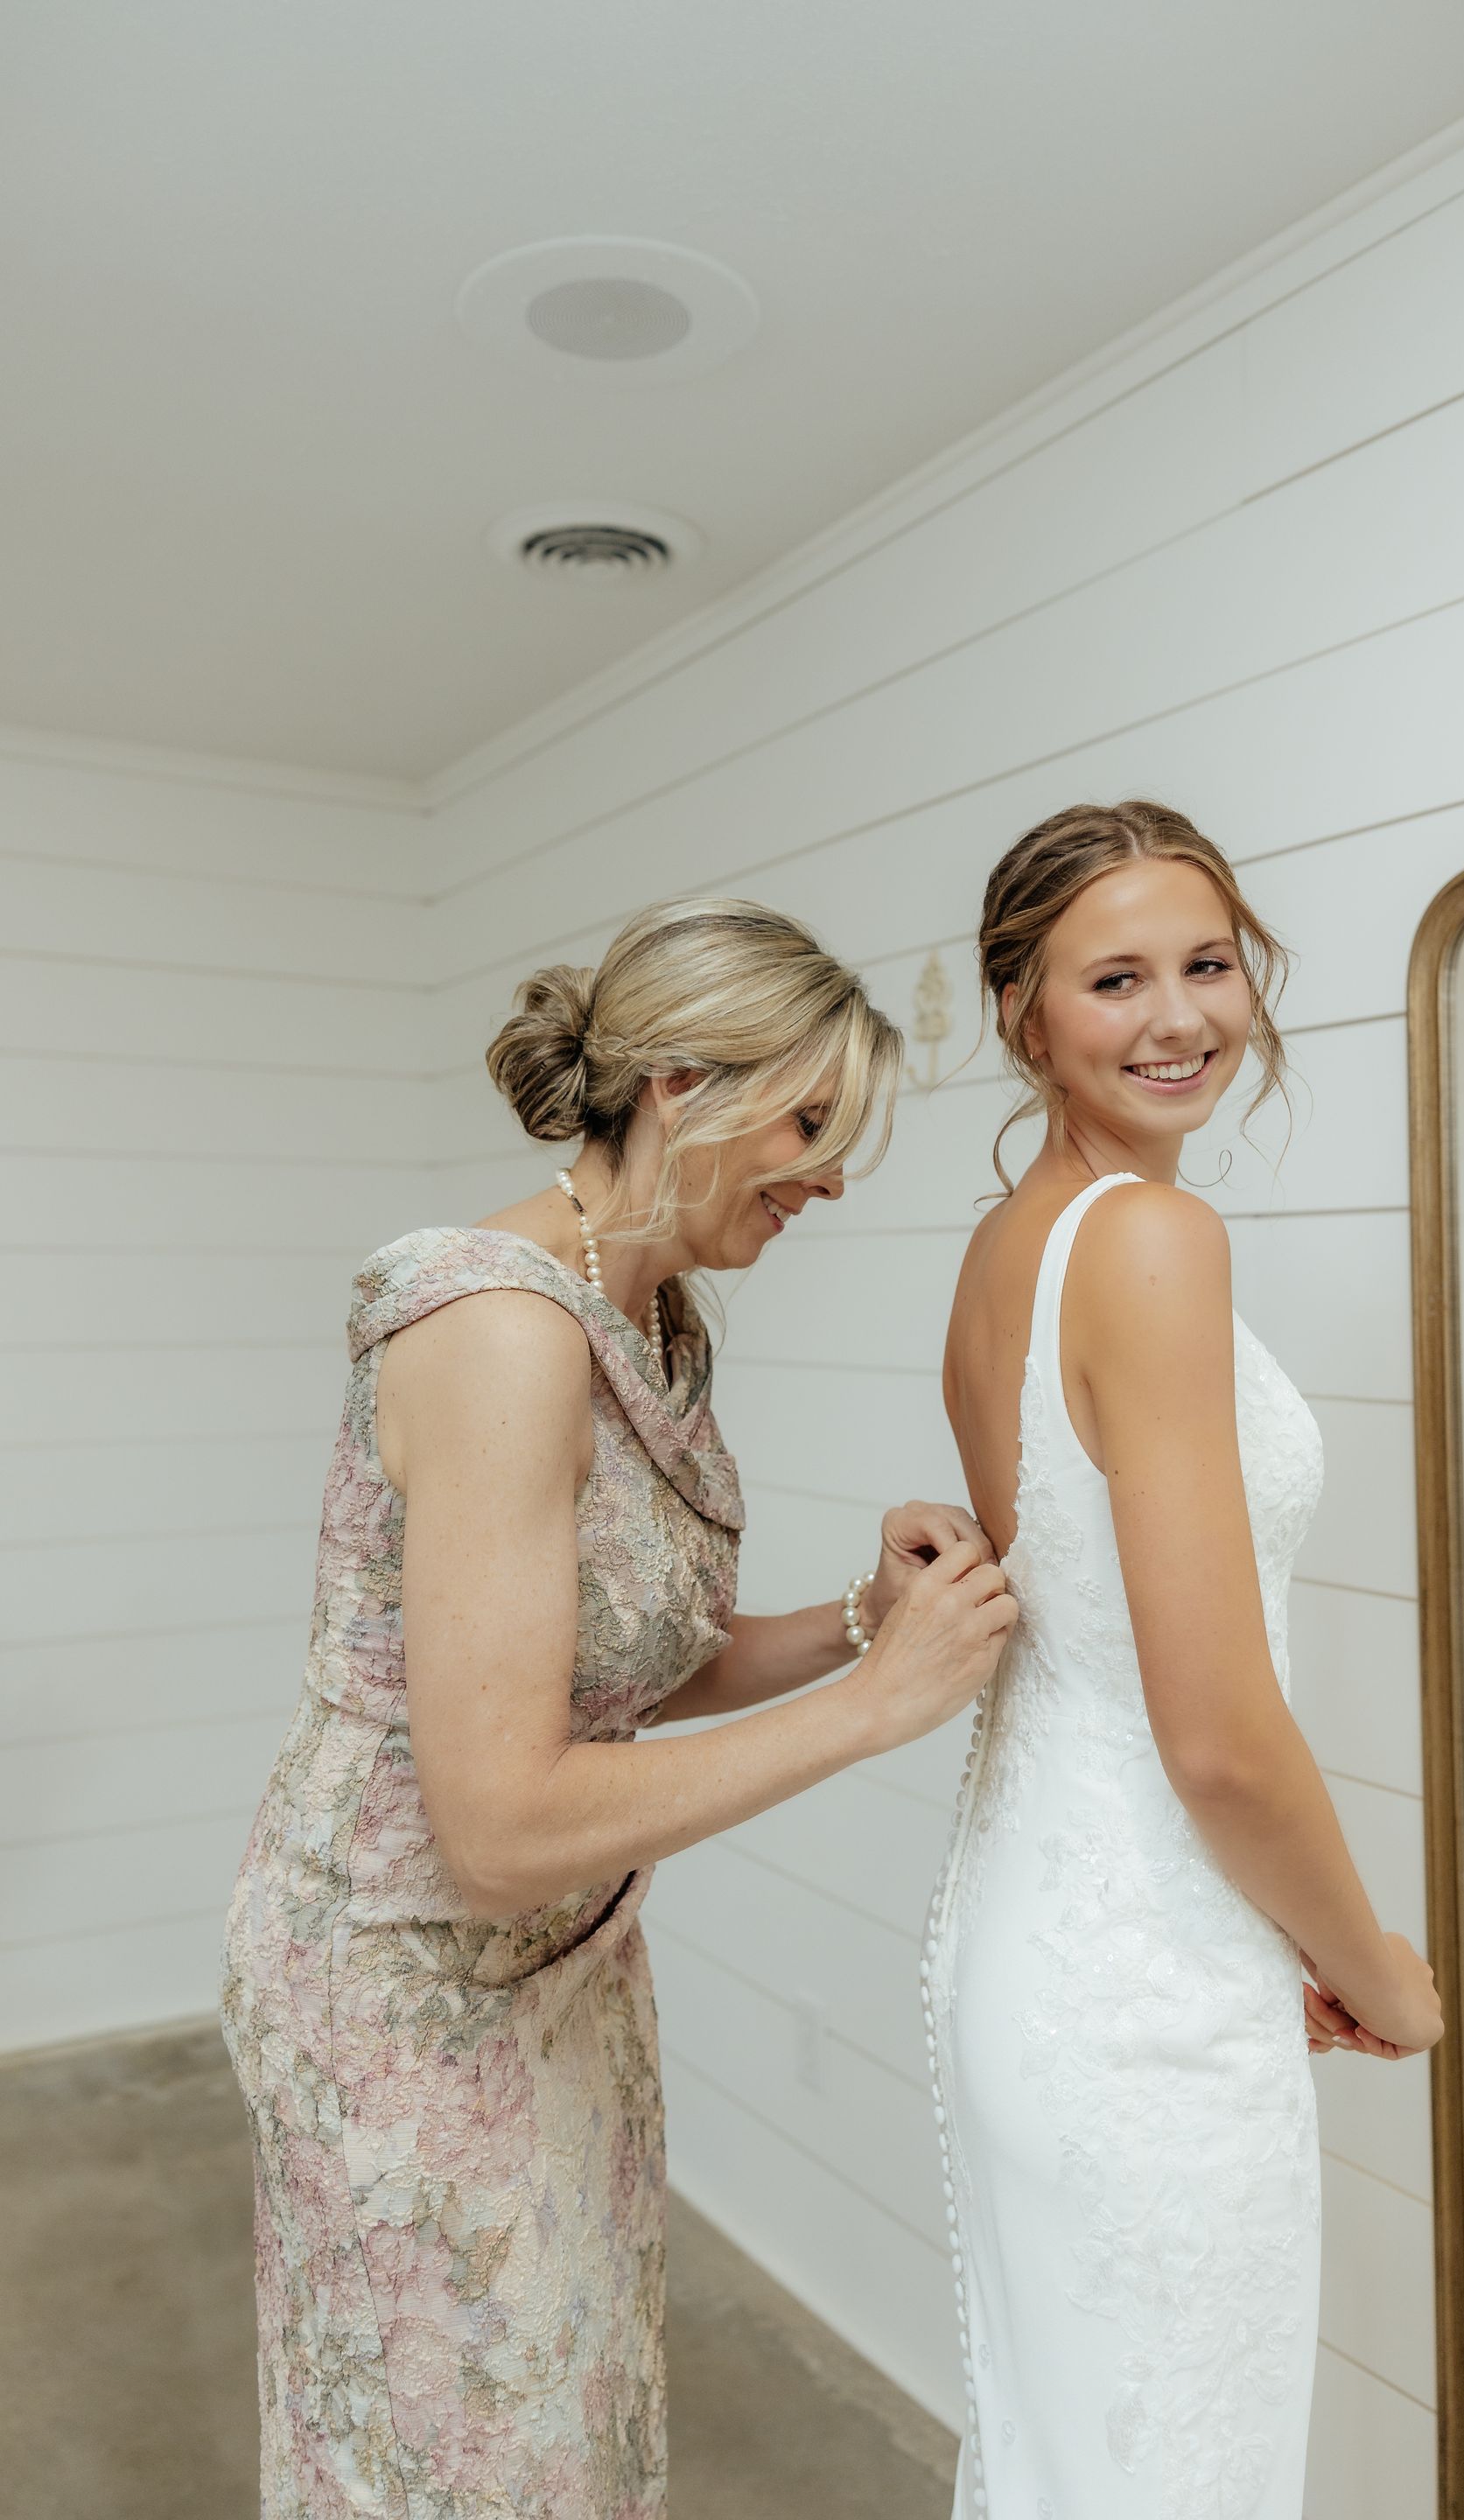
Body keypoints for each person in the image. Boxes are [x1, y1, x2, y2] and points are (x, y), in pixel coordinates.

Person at [221, 896, 1016, 2520]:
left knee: (576, 2416)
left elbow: (620, 1659)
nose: (833, 1176)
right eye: (808, 1124)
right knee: (461, 2455)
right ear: (672, 1084)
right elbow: (502, 1818)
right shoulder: (500, 1331)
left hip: (564, 1953)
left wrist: (864, 1617)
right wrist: (876, 1708)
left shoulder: (656, 1317)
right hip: (404, 1969)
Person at [927, 805, 1442, 2520]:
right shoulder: (1150, 1244)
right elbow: (1214, 1736)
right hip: (1147, 1981)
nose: (1178, 1019)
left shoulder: (1007, 1255)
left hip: (1041, 1937)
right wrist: (1373, 1966)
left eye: (1208, 965)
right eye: (1114, 978)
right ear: (1025, 1013)